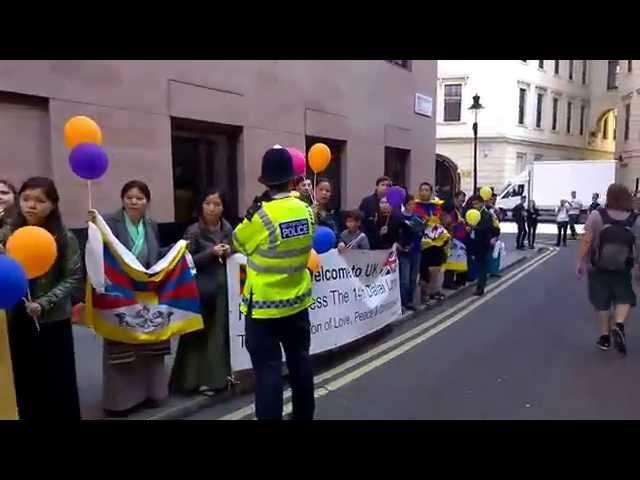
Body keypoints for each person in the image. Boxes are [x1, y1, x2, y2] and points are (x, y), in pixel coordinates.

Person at [233, 146, 315, 421]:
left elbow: (238, 242)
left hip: (264, 310)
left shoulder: (261, 216)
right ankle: (304, 416)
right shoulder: (306, 211)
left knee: (268, 371)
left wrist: (250, 215)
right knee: (300, 362)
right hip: (298, 303)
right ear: (293, 179)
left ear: (265, 182)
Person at [0, 177, 83, 419]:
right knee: (23, 379)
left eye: (40, 200)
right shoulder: (7, 233)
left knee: (56, 381)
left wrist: (43, 303)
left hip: (52, 321)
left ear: (53, 205)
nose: (31, 206)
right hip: (16, 316)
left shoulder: (64, 237)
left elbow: (73, 277)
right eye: (26, 199)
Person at [102, 180, 170, 417]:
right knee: (122, 349)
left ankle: (150, 394)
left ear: (146, 202)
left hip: (147, 293)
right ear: (122, 199)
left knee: (148, 346)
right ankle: (121, 402)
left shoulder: (151, 224)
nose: (134, 201)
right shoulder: (108, 223)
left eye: (139, 198)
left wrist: (177, 252)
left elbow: (156, 253)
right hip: (120, 292)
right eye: (129, 197)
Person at [170, 189, 234, 396]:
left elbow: (236, 250)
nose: (212, 208)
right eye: (208, 203)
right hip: (199, 289)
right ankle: (189, 381)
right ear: (201, 205)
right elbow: (185, 260)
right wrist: (210, 253)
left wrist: (230, 251)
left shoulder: (227, 228)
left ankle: (215, 380)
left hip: (223, 289)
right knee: (196, 336)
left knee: (218, 337)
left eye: (217, 204)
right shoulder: (193, 231)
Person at [577, 183, 640, 355]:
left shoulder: (598, 215)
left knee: (602, 302)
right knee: (624, 297)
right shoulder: (635, 218)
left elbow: (586, 239)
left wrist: (581, 261)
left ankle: (604, 338)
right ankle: (618, 324)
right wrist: (638, 266)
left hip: (598, 267)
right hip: (623, 268)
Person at [415, 182, 448, 304]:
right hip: (422, 243)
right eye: (422, 190)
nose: (424, 192)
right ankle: (424, 294)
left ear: (431, 192)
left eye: (427, 190)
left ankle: (433, 291)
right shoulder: (415, 206)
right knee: (424, 269)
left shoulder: (437, 206)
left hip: (436, 242)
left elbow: (444, 221)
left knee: (435, 268)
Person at [467, 195, 499, 296]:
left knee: (482, 266)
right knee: (478, 265)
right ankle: (479, 285)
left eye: (476, 203)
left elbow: (486, 229)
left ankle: (480, 288)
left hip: (483, 243)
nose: (475, 206)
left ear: (481, 203)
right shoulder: (473, 214)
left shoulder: (486, 214)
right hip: (475, 243)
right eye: (473, 204)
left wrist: (473, 228)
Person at [398, 195, 424, 311]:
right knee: (404, 279)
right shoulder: (399, 218)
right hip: (403, 253)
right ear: (406, 205)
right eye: (410, 204)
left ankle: (409, 301)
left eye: (414, 204)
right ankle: (402, 303)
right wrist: (401, 246)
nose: (412, 206)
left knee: (413, 278)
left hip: (416, 251)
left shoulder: (417, 218)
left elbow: (420, 234)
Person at [442, 191, 468, 290]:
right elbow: (447, 223)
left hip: (460, 239)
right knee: (450, 262)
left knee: (457, 261)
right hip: (452, 238)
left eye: (463, 201)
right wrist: (457, 223)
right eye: (461, 200)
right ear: (455, 198)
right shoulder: (450, 210)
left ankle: (457, 281)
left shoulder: (460, 210)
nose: (462, 203)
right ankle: (448, 283)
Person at [359, 176, 391, 245]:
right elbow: (361, 220)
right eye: (383, 185)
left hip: (387, 242)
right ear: (377, 186)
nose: (385, 187)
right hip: (370, 240)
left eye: (388, 185)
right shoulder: (367, 201)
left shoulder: (392, 202)